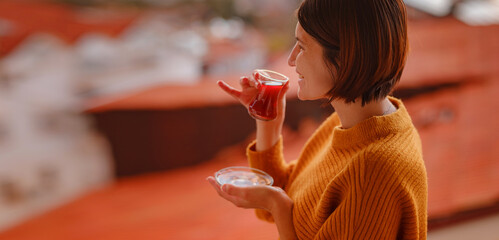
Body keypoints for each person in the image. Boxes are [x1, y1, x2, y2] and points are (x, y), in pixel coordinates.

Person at [207, 0, 428, 239]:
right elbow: (291, 196)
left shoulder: (374, 170)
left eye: (301, 47)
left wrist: (278, 207)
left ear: (344, 57)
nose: (291, 60)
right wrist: (269, 122)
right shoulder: (347, 125)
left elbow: (282, 205)